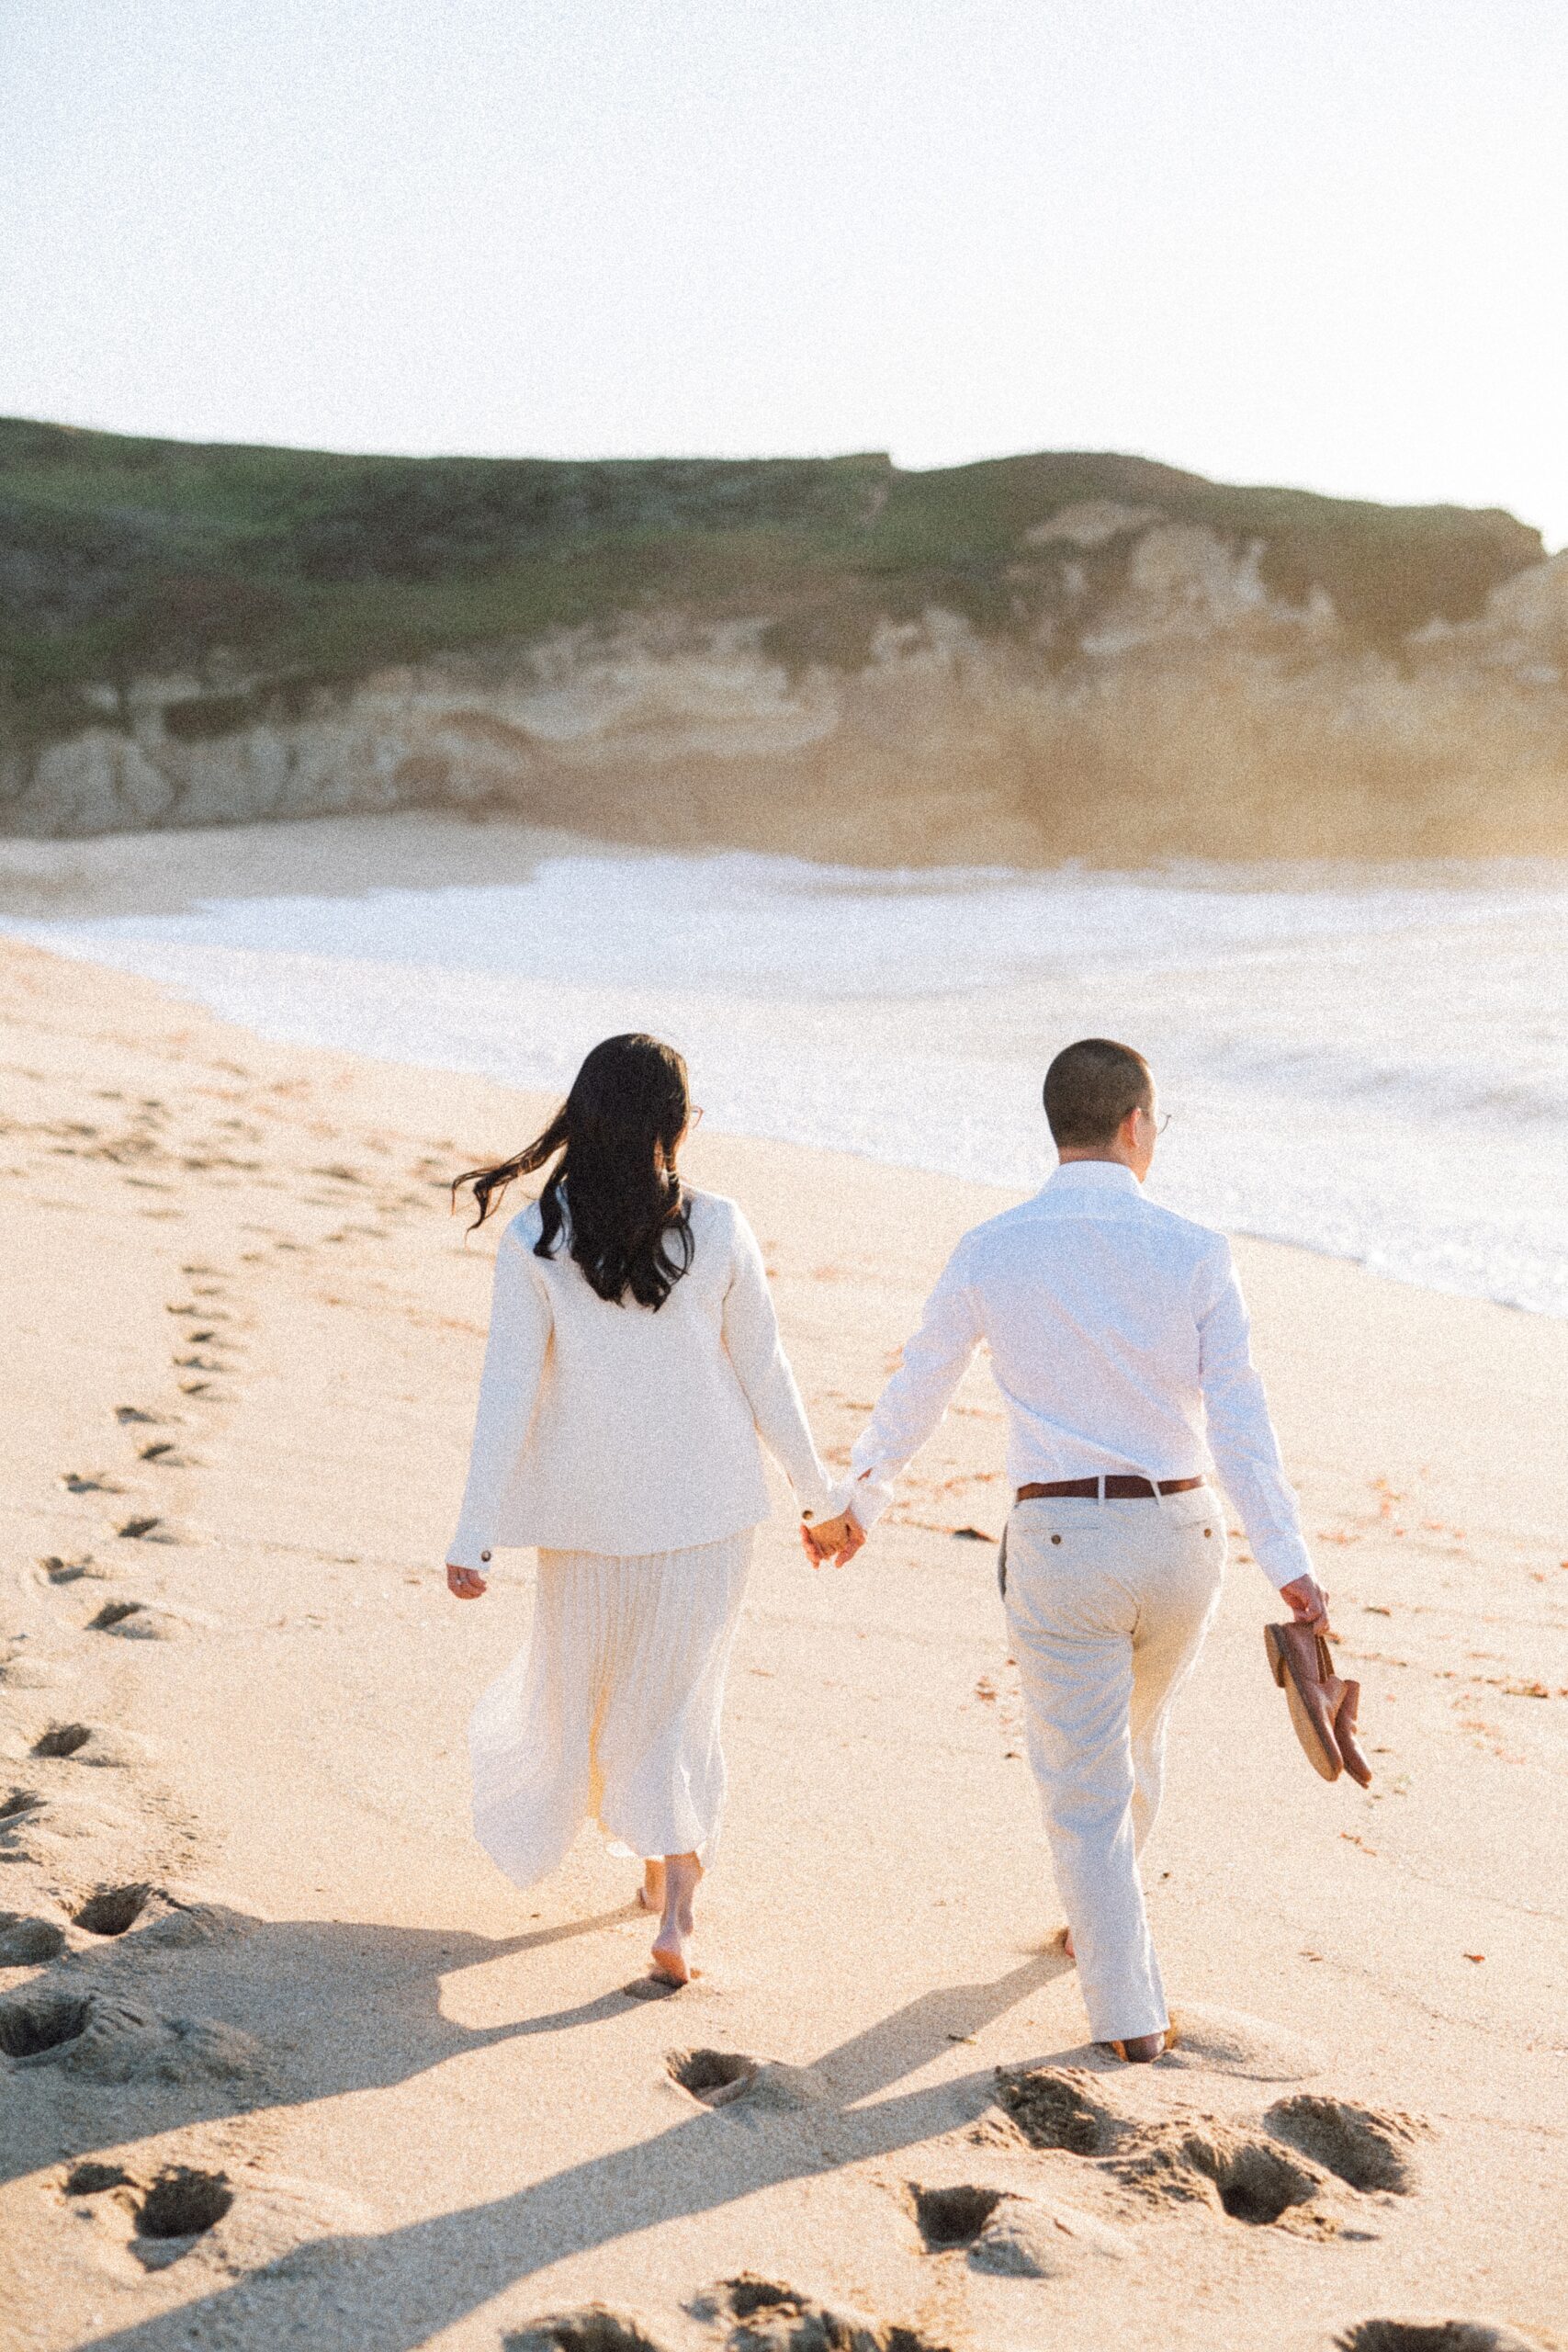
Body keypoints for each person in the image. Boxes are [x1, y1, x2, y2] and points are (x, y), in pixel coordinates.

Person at [804, 1037, 1329, 2064]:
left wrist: (857, 1499)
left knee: (1083, 1782)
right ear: (1136, 1124)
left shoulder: (992, 1247)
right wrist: (1292, 1563)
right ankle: (1103, 1916)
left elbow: (921, 1382)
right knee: (1138, 1735)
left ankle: (1127, 2007)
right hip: (1186, 1538)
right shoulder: (1197, 1249)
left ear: (1060, 1126)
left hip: (1061, 1538)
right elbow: (1241, 1421)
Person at [446, 1033, 834, 1986]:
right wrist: (821, 1500)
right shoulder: (721, 1225)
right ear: (676, 1124)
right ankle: (676, 1899)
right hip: (706, 1510)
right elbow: (766, 1375)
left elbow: (506, 1392)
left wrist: (474, 1535)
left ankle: (662, 1868)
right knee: (678, 1698)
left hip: (585, 1516)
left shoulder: (536, 1235)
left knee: (603, 1695)